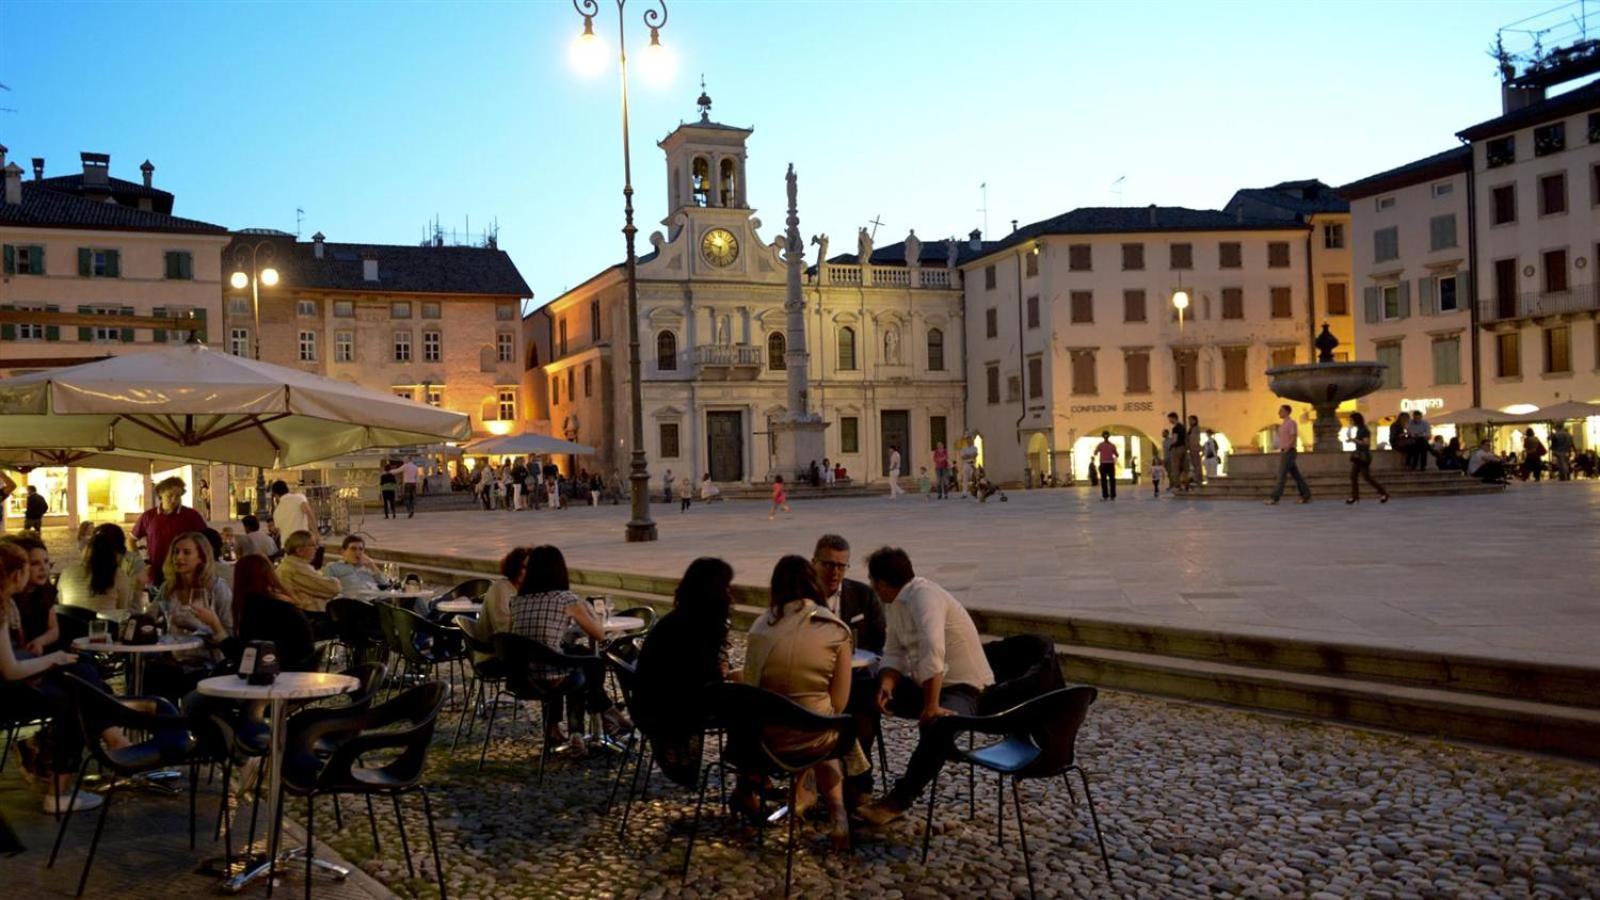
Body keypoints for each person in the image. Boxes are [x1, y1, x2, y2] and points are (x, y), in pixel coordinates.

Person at [855, 547, 994, 826]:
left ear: (880, 583)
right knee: (859, 692)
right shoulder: (894, 605)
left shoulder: (924, 596)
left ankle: (899, 800)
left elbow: (933, 649)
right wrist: (887, 683)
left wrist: (931, 706)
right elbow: (893, 650)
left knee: (939, 727)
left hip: (963, 687)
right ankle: (857, 779)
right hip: (924, 684)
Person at [742, 556, 861, 850]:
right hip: (815, 739)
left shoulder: (760, 627)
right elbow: (840, 702)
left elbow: (750, 684)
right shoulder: (835, 629)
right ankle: (838, 814)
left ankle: (767, 793)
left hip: (764, 742)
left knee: (814, 720)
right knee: (826, 723)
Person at [0, 541, 129, 813]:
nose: (41, 569)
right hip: (9, 691)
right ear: (16, 574)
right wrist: (51, 659)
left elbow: (38, 642)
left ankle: (61, 785)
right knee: (75, 694)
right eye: (30, 564)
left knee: (80, 675)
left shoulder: (12, 603)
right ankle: (112, 739)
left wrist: (47, 657)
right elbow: (9, 670)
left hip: (20, 678)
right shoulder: (4, 608)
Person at [507, 545, 630, 753]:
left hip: (521, 676)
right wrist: (588, 610)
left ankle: (577, 733)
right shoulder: (566, 600)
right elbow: (599, 635)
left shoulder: (516, 601)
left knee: (576, 659)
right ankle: (605, 713)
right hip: (551, 678)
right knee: (590, 663)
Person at [634, 557, 736, 785]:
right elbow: (702, 680)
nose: (731, 595)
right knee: (749, 707)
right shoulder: (695, 629)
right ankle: (750, 778)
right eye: (726, 587)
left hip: (652, 705)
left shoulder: (676, 621)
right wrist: (725, 674)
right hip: (672, 709)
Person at [812, 534, 887, 805]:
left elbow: (879, 640)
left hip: (856, 677)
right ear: (814, 564)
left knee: (866, 709)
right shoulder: (804, 598)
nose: (835, 572)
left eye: (841, 566)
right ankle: (823, 780)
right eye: (829, 565)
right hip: (816, 678)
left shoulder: (862, 595)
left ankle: (859, 782)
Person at [232, 554, 316, 671]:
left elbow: (247, 656)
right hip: (302, 670)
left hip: (281, 674)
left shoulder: (258, 606)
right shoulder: (282, 602)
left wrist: (219, 633)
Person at [133, 476, 209, 585]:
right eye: (170, 496)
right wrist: (141, 563)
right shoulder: (149, 516)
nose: (174, 500)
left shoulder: (192, 515)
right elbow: (131, 540)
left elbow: (205, 541)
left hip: (184, 574)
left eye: (178, 496)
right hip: (156, 575)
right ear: (160, 494)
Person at [57, 523, 141, 613]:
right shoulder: (118, 576)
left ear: (86, 551)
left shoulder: (66, 574)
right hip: (105, 625)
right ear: (113, 553)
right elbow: (122, 610)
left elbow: (61, 603)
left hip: (72, 625)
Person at [4, 536, 59, 654]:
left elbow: (54, 629)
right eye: (35, 563)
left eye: (46, 561)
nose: (43, 568)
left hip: (44, 648)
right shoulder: (10, 597)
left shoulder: (46, 590)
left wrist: (40, 642)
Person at [274, 530, 341, 613]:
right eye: (312, 545)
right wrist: (335, 580)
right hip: (310, 615)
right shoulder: (296, 568)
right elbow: (333, 588)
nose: (316, 548)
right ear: (300, 551)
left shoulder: (291, 564)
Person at [1266, 404, 1311, 505]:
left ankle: (1274, 498)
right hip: (1285, 451)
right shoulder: (1283, 425)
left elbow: (1293, 436)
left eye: (1281, 411)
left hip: (1289, 452)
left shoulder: (1291, 423)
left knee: (1281, 475)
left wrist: (1287, 448)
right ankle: (1306, 495)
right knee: (1296, 475)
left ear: (1287, 412)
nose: (1279, 412)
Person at [1345, 412, 1389, 505]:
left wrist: (1354, 440)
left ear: (1356, 420)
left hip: (1363, 456)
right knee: (1353, 476)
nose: (1350, 421)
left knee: (1366, 477)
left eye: (1351, 420)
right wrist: (1353, 440)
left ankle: (1384, 493)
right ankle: (1354, 497)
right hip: (1359, 456)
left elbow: (1366, 443)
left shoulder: (1363, 430)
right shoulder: (1359, 429)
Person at [323, 535, 391, 595]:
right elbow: (328, 591)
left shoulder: (369, 568)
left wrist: (373, 567)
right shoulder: (333, 567)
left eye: (361, 549)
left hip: (376, 602)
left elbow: (387, 587)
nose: (358, 552)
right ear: (343, 552)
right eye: (353, 549)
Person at [1165, 412, 1187, 492]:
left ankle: (1177, 485)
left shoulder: (1175, 428)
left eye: (1170, 419)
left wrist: (1171, 446)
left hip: (1177, 448)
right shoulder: (1182, 427)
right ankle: (1184, 484)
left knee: (1175, 468)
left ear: (1173, 418)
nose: (1169, 421)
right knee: (1183, 467)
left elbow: (1174, 440)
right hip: (1183, 448)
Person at [1093, 431, 1118, 501]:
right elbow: (1117, 454)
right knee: (1112, 480)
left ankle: (1105, 496)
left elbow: (1095, 453)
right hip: (1110, 464)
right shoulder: (1112, 445)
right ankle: (1112, 496)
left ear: (1102, 436)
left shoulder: (1100, 445)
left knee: (1103, 481)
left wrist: (1098, 452)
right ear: (1109, 436)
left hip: (1103, 464)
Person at [1186, 415, 1204, 488]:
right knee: (1194, 464)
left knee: (1197, 464)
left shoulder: (1196, 428)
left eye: (1191, 420)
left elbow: (1195, 439)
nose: (1189, 421)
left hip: (1194, 448)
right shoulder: (1191, 429)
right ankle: (1196, 478)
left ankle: (1198, 478)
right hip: (1191, 448)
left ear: (1195, 420)